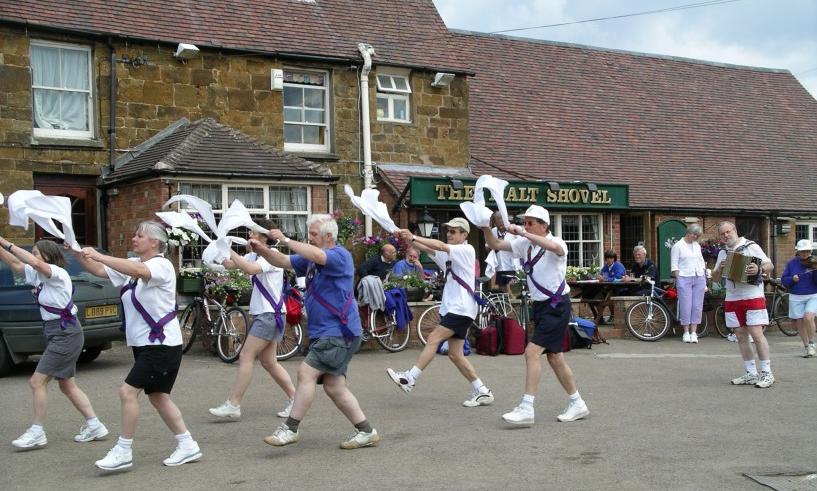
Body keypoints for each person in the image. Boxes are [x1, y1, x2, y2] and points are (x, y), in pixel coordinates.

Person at [69, 221, 201, 470]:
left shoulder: (160, 265)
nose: (134, 238)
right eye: (135, 233)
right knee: (159, 397)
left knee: (127, 392)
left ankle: (124, 450)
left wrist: (100, 254)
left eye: (139, 235)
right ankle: (188, 445)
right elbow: (98, 270)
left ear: (155, 242)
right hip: (147, 344)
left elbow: (136, 271)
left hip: (161, 345)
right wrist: (78, 253)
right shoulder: (135, 267)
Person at [252, 215, 380, 449]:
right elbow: (282, 261)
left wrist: (286, 239)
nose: (309, 238)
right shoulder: (311, 260)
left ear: (328, 236)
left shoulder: (339, 255)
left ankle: (290, 428)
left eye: (313, 235)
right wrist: (261, 249)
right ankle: (366, 431)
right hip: (334, 332)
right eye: (309, 234)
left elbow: (319, 255)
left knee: (306, 372)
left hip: (337, 332)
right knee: (334, 387)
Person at [482, 205, 589, 426]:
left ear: (544, 226)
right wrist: (485, 225)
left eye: (531, 222)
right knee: (555, 357)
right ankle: (577, 403)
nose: (526, 225)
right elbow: (496, 244)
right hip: (541, 306)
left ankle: (526, 407)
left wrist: (522, 232)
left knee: (531, 353)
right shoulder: (525, 245)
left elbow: (552, 247)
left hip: (556, 305)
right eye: (525, 222)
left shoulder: (557, 242)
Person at [0, 237, 108, 450]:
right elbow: (14, 263)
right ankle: (95, 426)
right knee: (67, 385)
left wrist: (6, 242)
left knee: (37, 381)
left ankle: (37, 432)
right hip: (56, 330)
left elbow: (35, 263)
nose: (33, 256)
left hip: (65, 332)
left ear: (48, 256)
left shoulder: (57, 273)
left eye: (36, 252)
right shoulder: (38, 275)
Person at [386, 217, 494, 408]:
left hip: (461, 308)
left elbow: (440, 246)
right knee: (455, 354)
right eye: (449, 231)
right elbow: (429, 248)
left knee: (434, 338)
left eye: (454, 231)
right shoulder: (450, 252)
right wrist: (407, 239)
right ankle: (483, 391)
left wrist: (413, 235)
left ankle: (410, 378)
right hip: (455, 308)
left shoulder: (466, 250)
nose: (450, 234)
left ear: (464, 235)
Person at [208, 220, 297, 420]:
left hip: (269, 315)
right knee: (269, 362)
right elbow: (233, 265)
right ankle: (295, 399)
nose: (249, 233)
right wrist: (220, 253)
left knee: (245, 357)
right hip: (267, 314)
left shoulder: (270, 257)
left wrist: (230, 252)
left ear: (264, 237)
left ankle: (233, 404)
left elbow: (250, 269)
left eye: (254, 232)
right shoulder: (255, 255)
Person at [712, 221, 775, 388]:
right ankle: (751, 373)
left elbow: (770, 265)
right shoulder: (722, 253)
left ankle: (767, 373)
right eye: (722, 234)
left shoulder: (751, 246)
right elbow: (716, 279)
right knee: (740, 335)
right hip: (732, 297)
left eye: (728, 232)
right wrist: (719, 270)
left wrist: (759, 268)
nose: (726, 236)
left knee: (756, 333)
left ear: (734, 230)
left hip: (752, 294)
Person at [671, 224, 707, 343]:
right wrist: (679, 279)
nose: (696, 237)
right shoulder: (678, 246)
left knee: (697, 306)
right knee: (686, 305)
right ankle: (686, 332)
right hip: (684, 277)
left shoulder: (696, 246)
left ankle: (694, 332)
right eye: (694, 234)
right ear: (689, 233)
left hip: (698, 277)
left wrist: (704, 279)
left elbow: (701, 262)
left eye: (697, 235)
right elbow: (674, 265)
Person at [781, 239, 817, 357]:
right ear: (798, 252)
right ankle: (806, 347)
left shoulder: (814, 262)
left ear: (810, 251)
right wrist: (792, 279)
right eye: (802, 251)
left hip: (812, 295)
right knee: (800, 322)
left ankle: (812, 343)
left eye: (807, 251)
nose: (805, 254)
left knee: (808, 317)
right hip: (796, 296)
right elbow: (784, 280)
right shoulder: (792, 263)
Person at [488, 211, 517, 295]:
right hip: (499, 267)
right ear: (495, 222)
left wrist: (503, 244)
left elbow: (519, 247)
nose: (501, 222)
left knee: (512, 292)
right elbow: (488, 249)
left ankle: (514, 308)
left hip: (512, 267)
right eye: (498, 220)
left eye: (502, 219)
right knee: (503, 292)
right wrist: (493, 247)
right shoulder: (493, 232)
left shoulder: (513, 232)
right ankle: (507, 308)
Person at [595, 249, 625, 324]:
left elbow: (618, 277)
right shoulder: (606, 267)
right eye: (608, 258)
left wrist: (605, 279)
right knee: (597, 297)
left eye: (611, 258)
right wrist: (598, 277)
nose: (609, 260)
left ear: (614, 259)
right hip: (607, 288)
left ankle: (611, 315)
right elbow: (601, 275)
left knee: (607, 298)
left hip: (619, 289)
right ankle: (600, 318)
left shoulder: (618, 266)